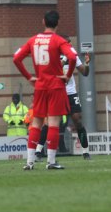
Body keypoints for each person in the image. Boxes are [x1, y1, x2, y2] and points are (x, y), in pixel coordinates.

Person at [13, 10, 77, 170]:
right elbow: (73, 57)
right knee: (54, 122)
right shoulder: (58, 40)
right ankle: (51, 161)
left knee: (37, 123)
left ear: (43, 22)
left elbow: (16, 58)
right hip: (55, 85)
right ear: (58, 23)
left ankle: (29, 162)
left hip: (40, 85)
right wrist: (67, 75)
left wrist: (29, 77)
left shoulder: (33, 40)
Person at [35, 35, 91, 160]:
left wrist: (87, 64)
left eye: (70, 44)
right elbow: (54, 70)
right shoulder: (53, 55)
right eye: (68, 44)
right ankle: (38, 150)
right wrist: (66, 58)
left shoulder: (73, 56)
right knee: (51, 122)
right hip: (56, 92)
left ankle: (85, 151)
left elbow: (85, 73)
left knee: (78, 120)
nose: (70, 46)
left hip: (71, 93)